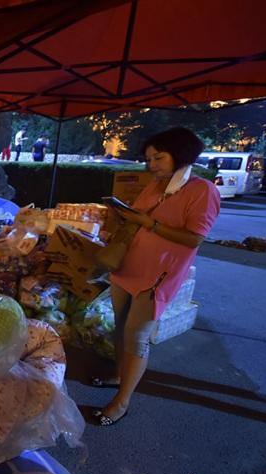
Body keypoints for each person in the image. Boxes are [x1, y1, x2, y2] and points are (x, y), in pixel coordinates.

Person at [91, 127, 221, 426]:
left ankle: (121, 403)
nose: (152, 164)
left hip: (157, 277)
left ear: (181, 155)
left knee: (137, 337)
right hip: (127, 267)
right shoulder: (155, 184)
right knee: (119, 327)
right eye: (149, 158)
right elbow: (135, 218)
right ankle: (117, 375)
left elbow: (194, 239)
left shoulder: (203, 190)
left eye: (159, 157)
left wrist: (148, 223)